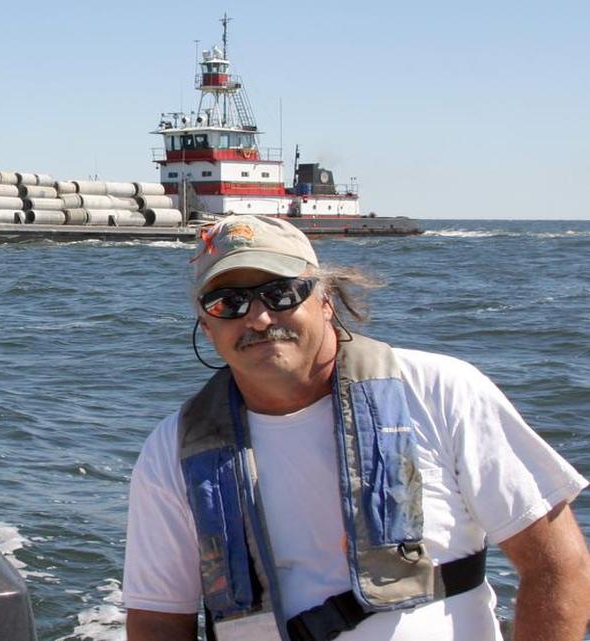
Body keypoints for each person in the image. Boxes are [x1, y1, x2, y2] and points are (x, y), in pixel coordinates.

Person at [122, 215, 590, 641]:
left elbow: (557, 564)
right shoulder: (172, 450)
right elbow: (158, 620)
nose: (259, 318)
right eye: (229, 303)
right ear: (206, 326)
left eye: (280, 293)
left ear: (325, 300)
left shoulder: (440, 391)